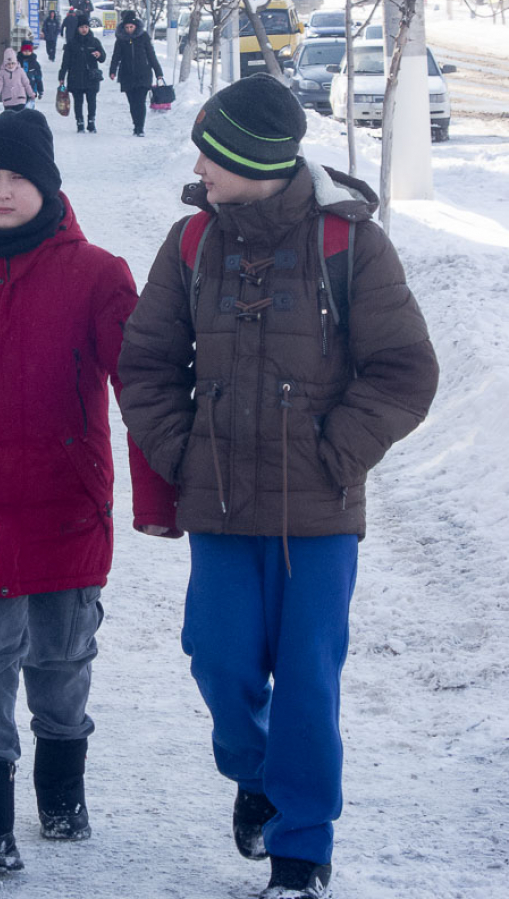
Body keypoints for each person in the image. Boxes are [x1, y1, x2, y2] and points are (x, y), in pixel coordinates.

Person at [117, 74, 439, 899]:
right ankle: (255, 774)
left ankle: (301, 853)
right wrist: (181, 453)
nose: (197, 165)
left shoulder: (349, 242)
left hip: (320, 515)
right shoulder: (192, 244)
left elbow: (405, 370)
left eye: (210, 151)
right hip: (219, 506)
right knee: (218, 661)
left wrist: (339, 453)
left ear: (251, 160)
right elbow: (147, 365)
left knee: (307, 681)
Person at [0, 109, 173, 874]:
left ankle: (62, 798)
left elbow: (139, 391)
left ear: (47, 186)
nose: (2, 192)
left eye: (16, 178)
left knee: (61, 660)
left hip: (66, 505)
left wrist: (157, 501)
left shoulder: (99, 275)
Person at [109, 10, 164, 138]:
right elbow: (116, 56)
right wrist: (112, 71)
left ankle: (140, 127)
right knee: (132, 102)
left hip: (143, 75)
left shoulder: (143, 37)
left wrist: (158, 73)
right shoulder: (121, 40)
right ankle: (136, 124)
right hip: (126, 75)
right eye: (127, 27)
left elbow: (151, 55)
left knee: (140, 102)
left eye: (131, 27)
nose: (129, 29)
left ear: (136, 26)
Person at [58, 16, 106, 134]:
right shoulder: (72, 43)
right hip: (76, 77)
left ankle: (91, 122)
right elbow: (65, 62)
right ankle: (79, 122)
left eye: (86, 27)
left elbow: (103, 58)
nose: (84, 30)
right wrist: (61, 77)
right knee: (78, 102)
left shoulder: (94, 42)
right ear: (77, 29)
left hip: (91, 77)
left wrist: (99, 54)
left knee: (92, 101)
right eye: (81, 27)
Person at [0, 47, 35, 112]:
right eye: (8, 64)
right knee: (10, 119)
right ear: (5, 63)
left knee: (19, 117)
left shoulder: (20, 71)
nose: (11, 66)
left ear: (16, 62)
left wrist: (31, 94)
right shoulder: (2, 73)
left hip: (20, 99)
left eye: (13, 63)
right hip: (8, 100)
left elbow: (26, 84)